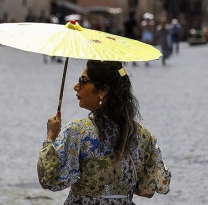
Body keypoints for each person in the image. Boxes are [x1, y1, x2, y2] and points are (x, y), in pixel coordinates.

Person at [37, 60, 171, 204]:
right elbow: (147, 190)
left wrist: (50, 137)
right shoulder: (142, 135)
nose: (76, 87)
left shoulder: (77, 132)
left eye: (83, 81)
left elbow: (48, 180)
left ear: (103, 90)